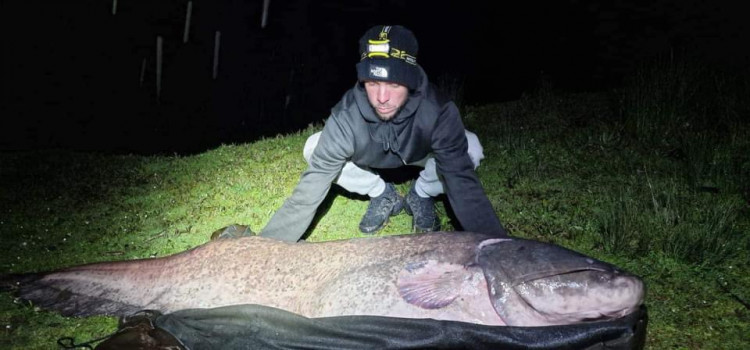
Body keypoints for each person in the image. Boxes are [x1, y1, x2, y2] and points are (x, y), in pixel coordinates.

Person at [260, 24, 507, 242]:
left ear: (410, 81)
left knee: (471, 147)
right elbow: (307, 193)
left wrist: (499, 249)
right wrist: (266, 247)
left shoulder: (438, 111)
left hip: (421, 155)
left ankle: (422, 193)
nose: (381, 98)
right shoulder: (346, 116)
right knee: (314, 146)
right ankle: (380, 193)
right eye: (373, 83)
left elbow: (463, 186)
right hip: (368, 156)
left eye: (394, 84)